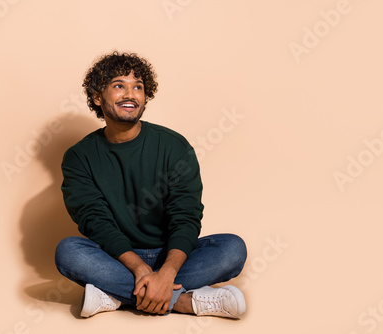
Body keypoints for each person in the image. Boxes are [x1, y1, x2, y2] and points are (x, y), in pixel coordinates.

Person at [54, 51, 247, 319]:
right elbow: (95, 222)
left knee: (233, 249)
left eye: (138, 87)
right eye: (119, 86)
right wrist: (140, 270)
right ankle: (184, 302)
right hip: (116, 257)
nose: (130, 94)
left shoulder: (173, 146)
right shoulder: (79, 157)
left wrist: (166, 273)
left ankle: (116, 295)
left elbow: (186, 216)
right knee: (68, 252)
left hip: (173, 256)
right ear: (98, 97)